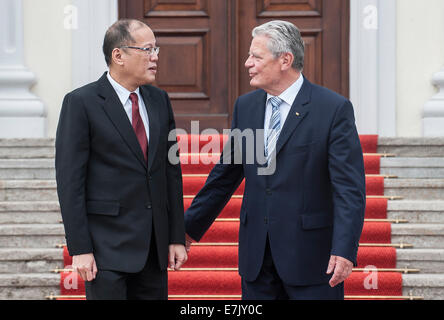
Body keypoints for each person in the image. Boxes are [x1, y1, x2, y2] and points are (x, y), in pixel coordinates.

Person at [184, 20, 366, 300]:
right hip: (257, 262)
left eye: (256, 56)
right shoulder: (246, 107)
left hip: (311, 260)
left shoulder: (333, 109)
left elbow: (348, 189)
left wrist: (345, 249)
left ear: (285, 60)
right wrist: (187, 229)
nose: (247, 63)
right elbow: (225, 176)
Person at [55, 19, 187, 300]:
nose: (155, 57)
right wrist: (80, 248)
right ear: (118, 55)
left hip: (154, 249)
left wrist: (176, 237)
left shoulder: (159, 100)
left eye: (156, 50)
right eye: (148, 49)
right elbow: (70, 182)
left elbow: (170, 173)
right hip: (106, 249)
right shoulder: (81, 102)